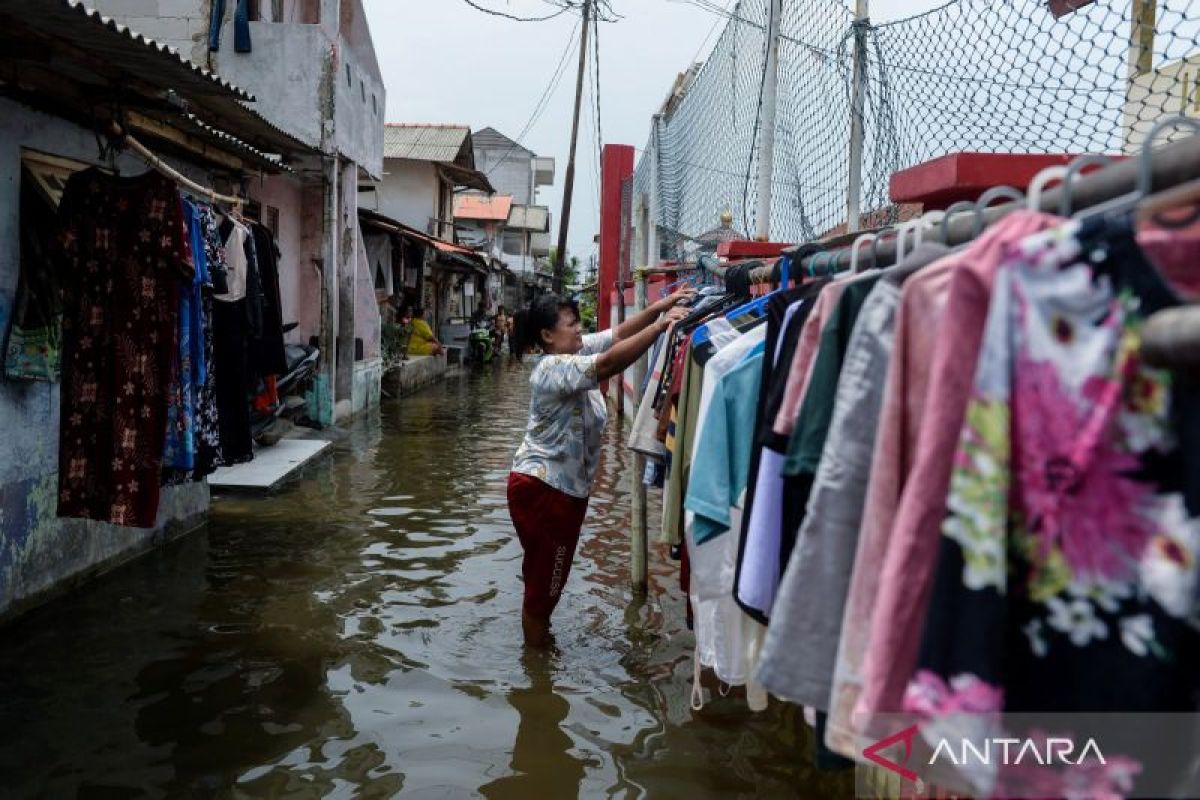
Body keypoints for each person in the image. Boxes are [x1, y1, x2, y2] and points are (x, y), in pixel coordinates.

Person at [507, 288, 694, 646]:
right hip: (545, 491)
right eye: (571, 324)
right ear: (547, 335)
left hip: (559, 490)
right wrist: (660, 328)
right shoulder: (551, 368)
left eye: (578, 322)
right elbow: (608, 363)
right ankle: (538, 663)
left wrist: (660, 307)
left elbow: (618, 334)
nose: (580, 329)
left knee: (544, 582)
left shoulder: (574, 350)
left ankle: (539, 652)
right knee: (545, 589)